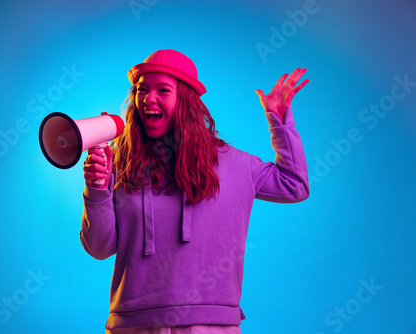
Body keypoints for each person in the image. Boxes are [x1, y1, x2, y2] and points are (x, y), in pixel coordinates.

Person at [81, 49, 310, 334]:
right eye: (142, 90)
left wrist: (278, 119)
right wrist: (96, 189)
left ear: (186, 100)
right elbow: (100, 247)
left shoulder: (236, 164)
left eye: (162, 90)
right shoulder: (120, 162)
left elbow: (294, 185)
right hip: (133, 326)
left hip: (213, 326)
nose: (148, 99)